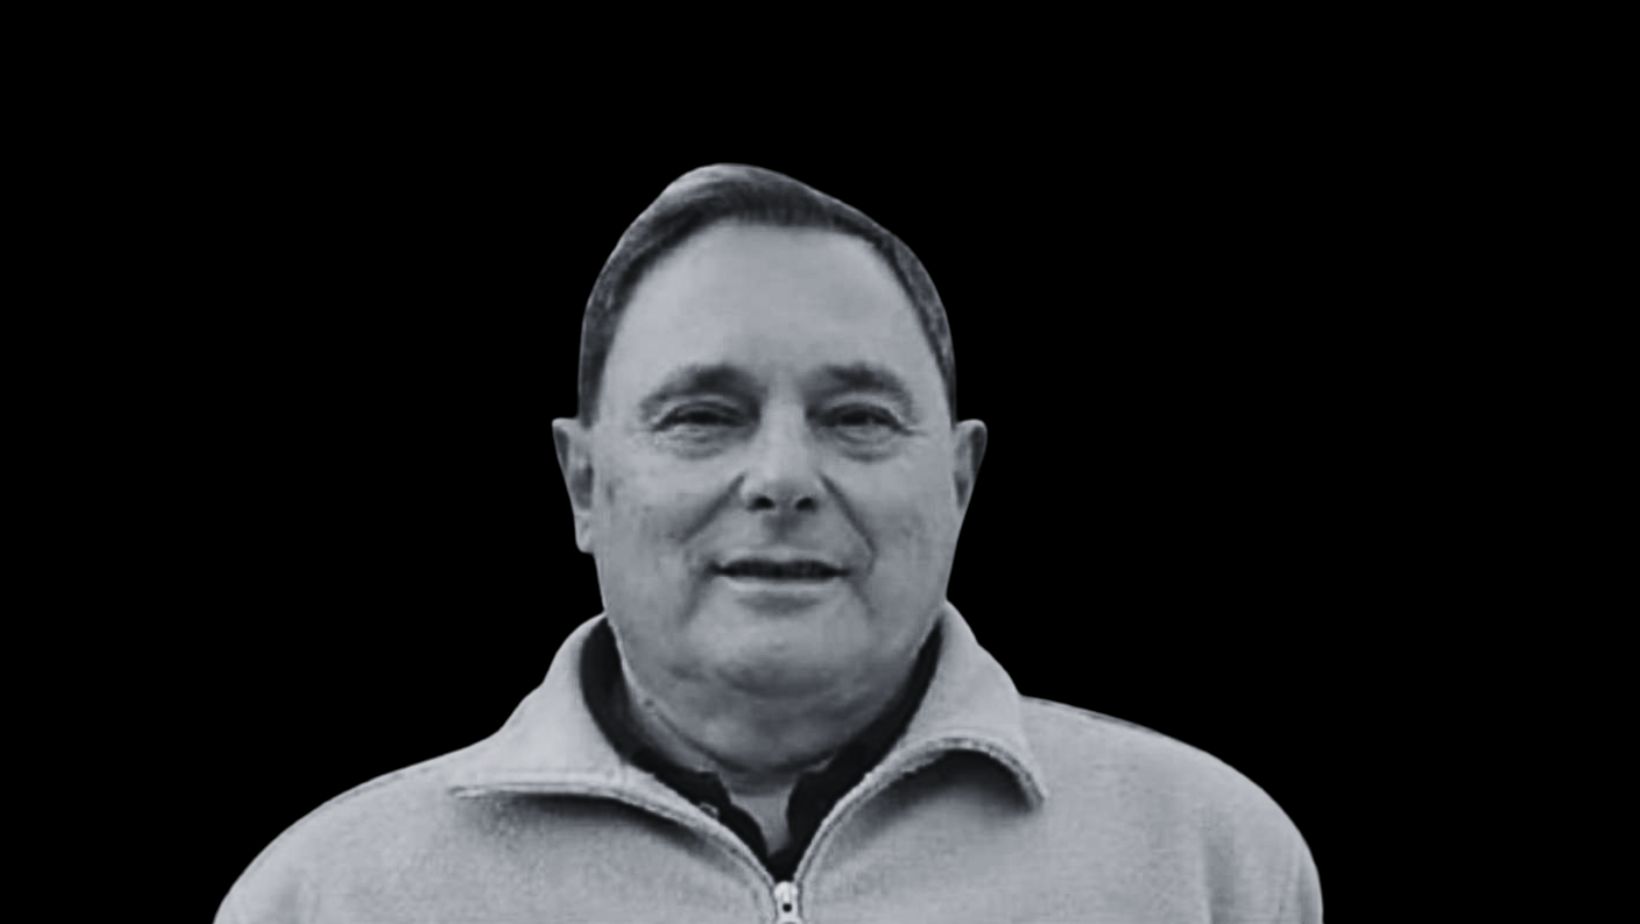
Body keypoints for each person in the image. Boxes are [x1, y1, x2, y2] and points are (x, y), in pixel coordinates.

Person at [215, 164, 1322, 923]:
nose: (783, 477)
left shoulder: (1207, 861)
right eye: (704, 416)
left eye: (857, 417)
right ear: (583, 483)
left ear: (960, 481)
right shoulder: (328, 898)